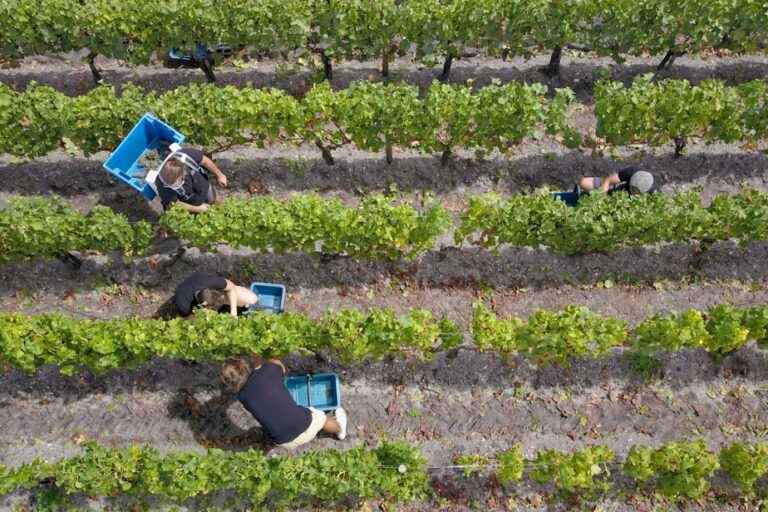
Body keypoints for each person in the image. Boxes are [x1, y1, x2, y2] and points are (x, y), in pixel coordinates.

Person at [220, 357, 347, 449]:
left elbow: (258, 393)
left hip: (283, 442)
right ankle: (340, 430)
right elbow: (280, 366)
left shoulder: (242, 396)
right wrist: (266, 363)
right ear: (244, 364)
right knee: (322, 418)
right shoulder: (267, 371)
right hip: (305, 424)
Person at [156, 146, 228, 213]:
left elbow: (205, 161)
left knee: (216, 200)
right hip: (188, 202)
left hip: (203, 187)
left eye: (177, 182)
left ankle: (226, 210)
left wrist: (220, 175)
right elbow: (174, 203)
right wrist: (198, 209)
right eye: (173, 185)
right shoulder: (161, 184)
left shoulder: (186, 156)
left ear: (183, 172)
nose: (177, 185)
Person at [172, 272, 259, 318]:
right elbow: (184, 319)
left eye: (217, 300)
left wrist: (233, 312)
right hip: (191, 304)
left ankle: (224, 304)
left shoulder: (212, 282)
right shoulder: (184, 305)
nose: (215, 304)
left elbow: (231, 287)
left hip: (200, 281)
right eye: (212, 305)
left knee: (252, 299)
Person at [578, 167, 658, 196]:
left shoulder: (654, 193)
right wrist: (603, 195)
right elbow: (608, 180)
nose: (632, 190)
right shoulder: (632, 171)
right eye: (631, 187)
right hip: (619, 191)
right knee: (583, 183)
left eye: (635, 191)